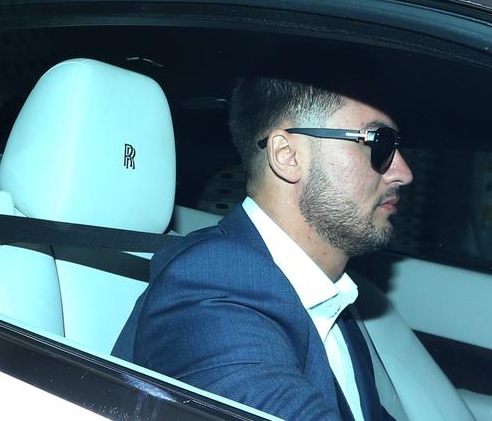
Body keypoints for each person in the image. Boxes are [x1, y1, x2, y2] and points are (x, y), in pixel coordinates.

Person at [113, 76, 413, 421]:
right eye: (379, 143)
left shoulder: (331, 295)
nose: (404, 172)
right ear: (287, 155)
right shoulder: (209, 287)